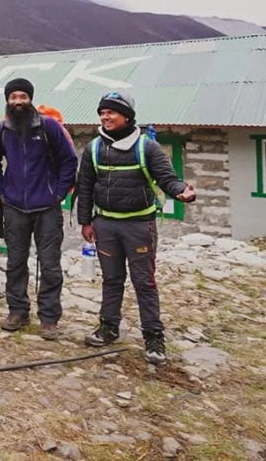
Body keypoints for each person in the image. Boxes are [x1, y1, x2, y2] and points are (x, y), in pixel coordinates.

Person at [76, 91, 195, 365]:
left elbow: (167, 178)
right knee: (111, 279)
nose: (105, 117)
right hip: (105, 224)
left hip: (139, 225)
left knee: (144, 282)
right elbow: (85, 187)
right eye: (102, 113)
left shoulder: (146, 147)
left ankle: (153, 337)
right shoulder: (94, 148)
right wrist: (85, 222)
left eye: (111, 112)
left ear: (127, 116)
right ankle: (108, 328)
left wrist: (181, 192)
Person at [0, 77, 78, 340]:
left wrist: (57, 193)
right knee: (15, 263)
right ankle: (17, 312)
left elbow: (69, 160)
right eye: (13, 97)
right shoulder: (1, 130)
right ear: (7, 100)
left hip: (47, 207)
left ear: (30, 99)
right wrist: (1, 192)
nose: (18, 102)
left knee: (49, 265)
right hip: (14, 206)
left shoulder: (49, 127)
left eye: (22, 97)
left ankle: (49, 318)